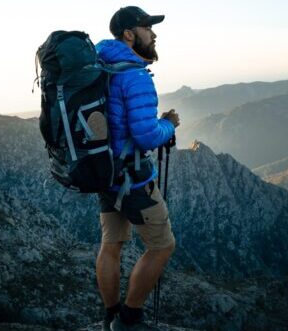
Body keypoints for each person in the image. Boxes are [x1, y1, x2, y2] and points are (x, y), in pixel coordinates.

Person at [94, 6, 180, 331]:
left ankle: (111, 315)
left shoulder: (102, 66)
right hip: (132, 178)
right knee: (162, 245)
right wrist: (168, 125)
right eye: (147, 27)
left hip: (104, 172)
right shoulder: (133, 74)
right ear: (129, 34)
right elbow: (145, 135)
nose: (153, 33)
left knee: (111, 244)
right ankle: (129, 320)